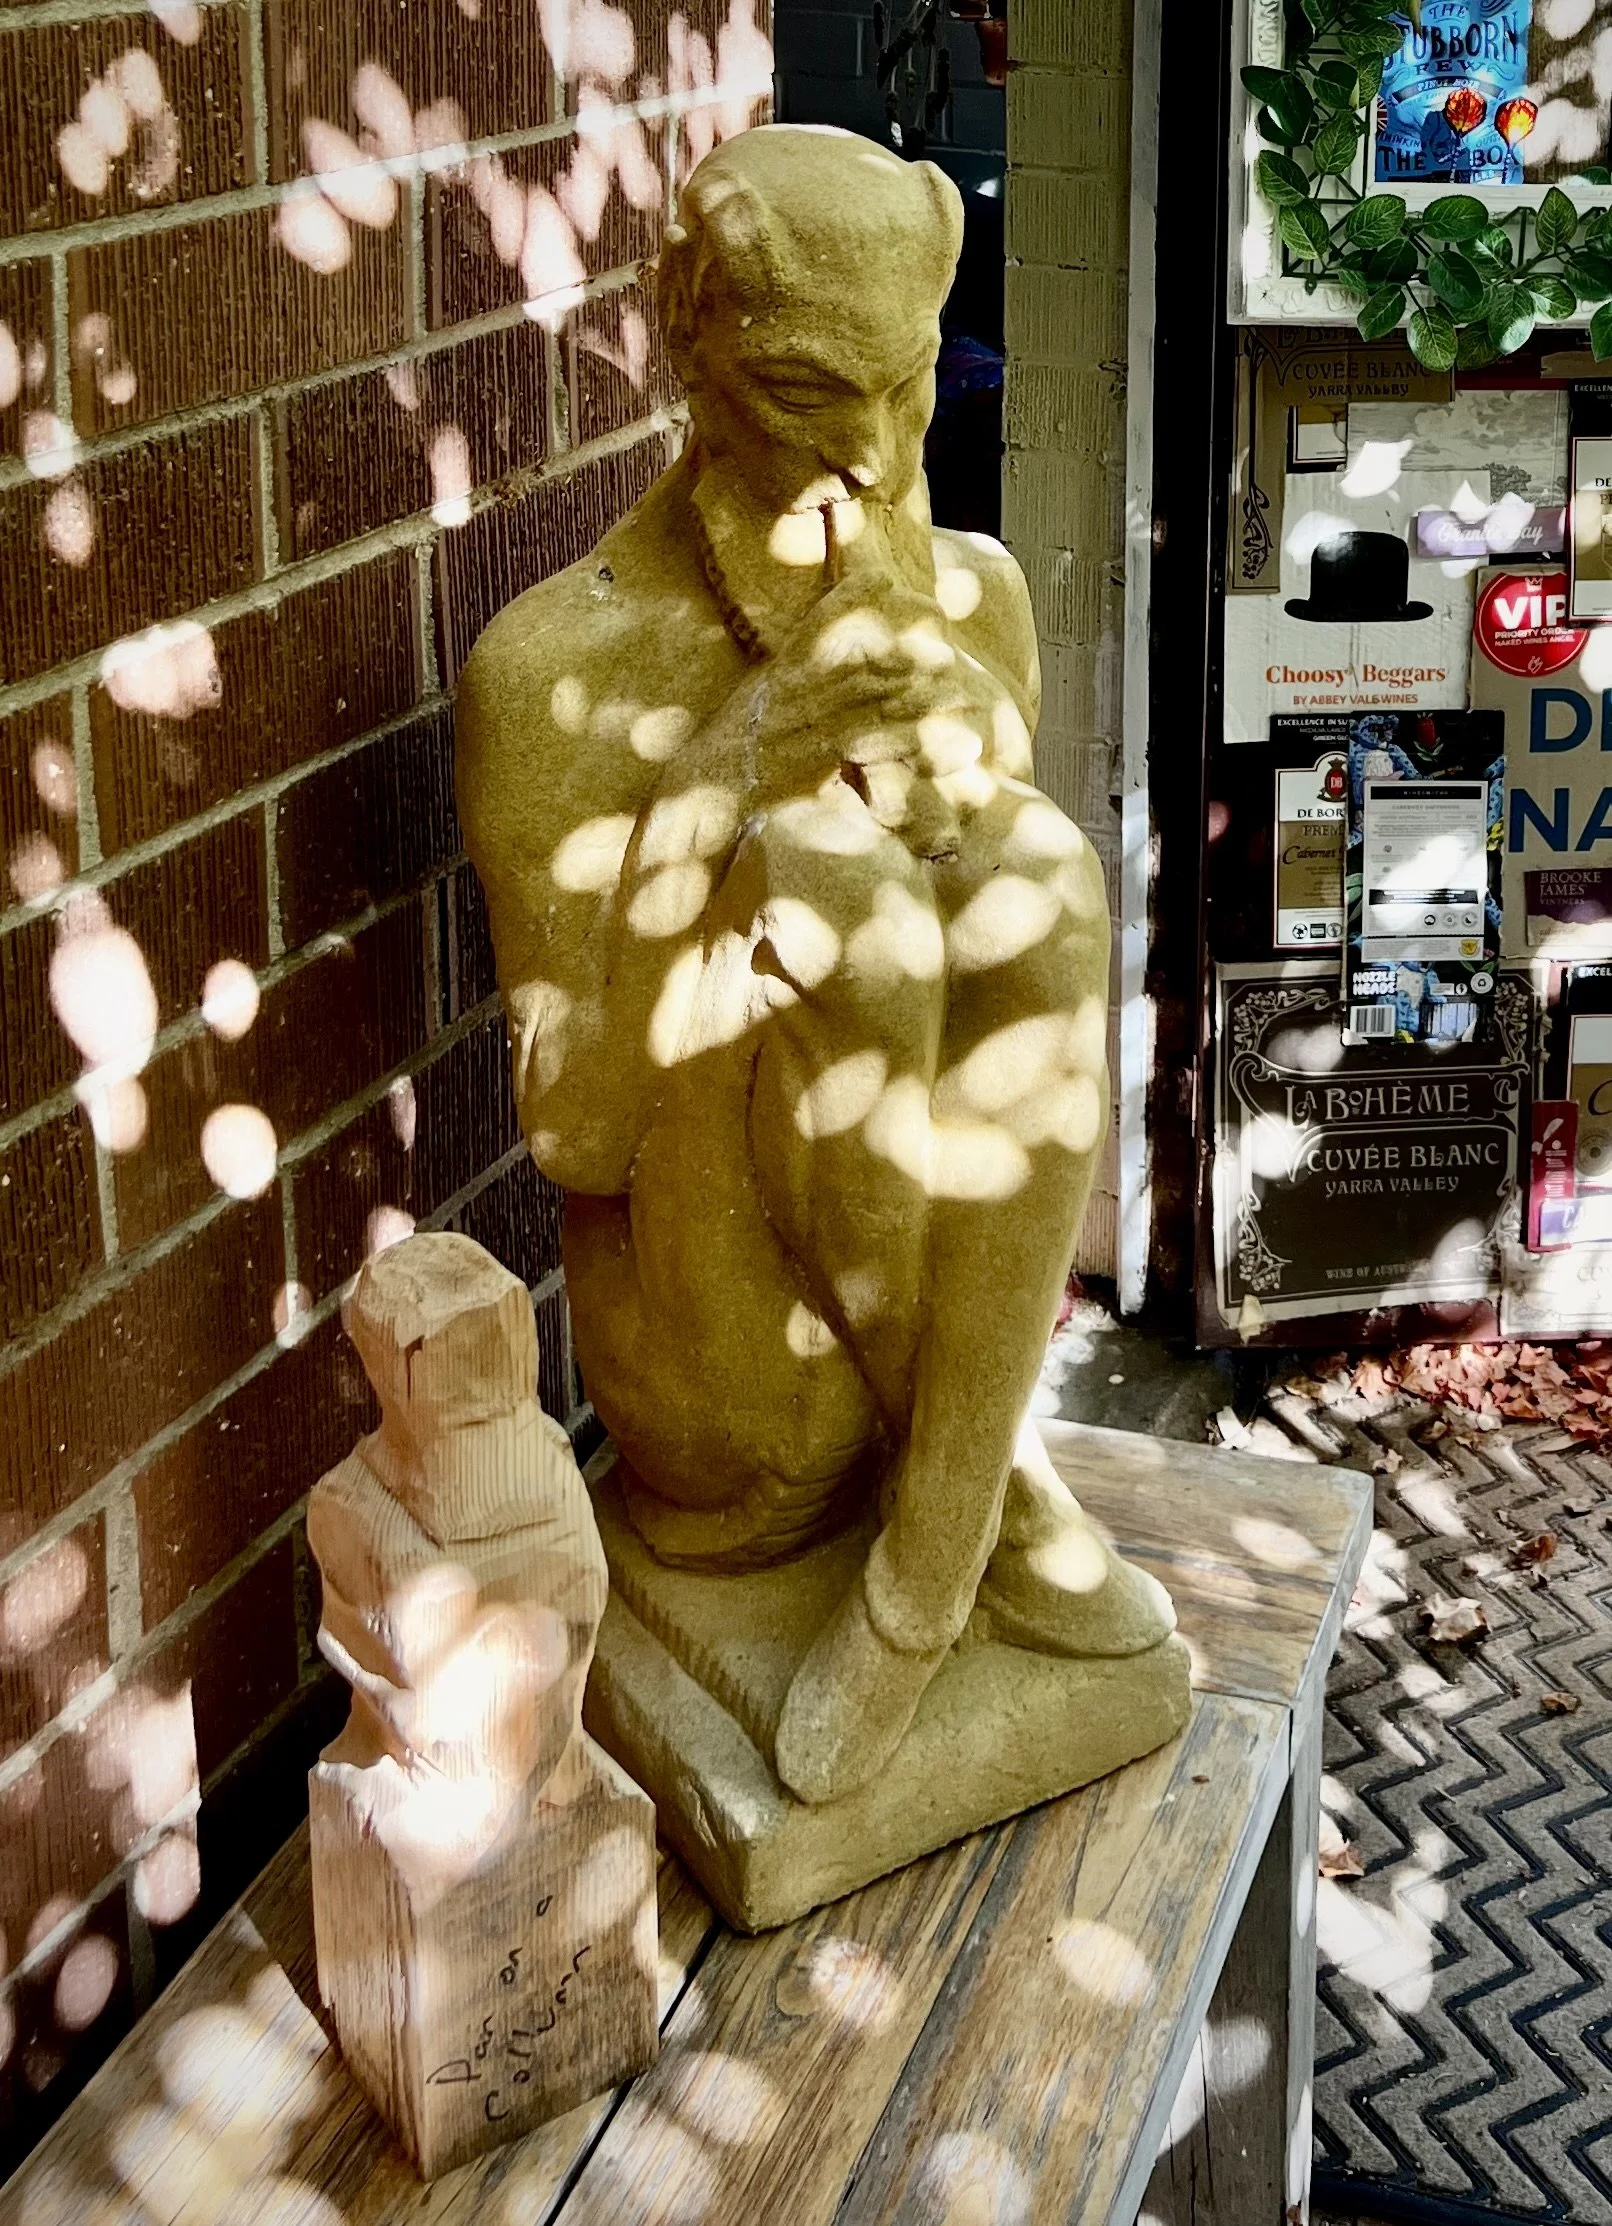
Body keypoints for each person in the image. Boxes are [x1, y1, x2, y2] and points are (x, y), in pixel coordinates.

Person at [456, 125, 1173, 1808]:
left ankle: (926, 1560)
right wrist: (729, 770)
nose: (865, 450)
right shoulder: (551, 668)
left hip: (886, 1327)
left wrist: (948, 745)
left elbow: (1002, 1034)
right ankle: (992, 1499)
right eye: (802, 393)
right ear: (683, 336)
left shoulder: (976, 596)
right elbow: (574, 1130)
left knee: (1045, 879)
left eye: (905, 388)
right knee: (825, 879)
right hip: (726, 1405)